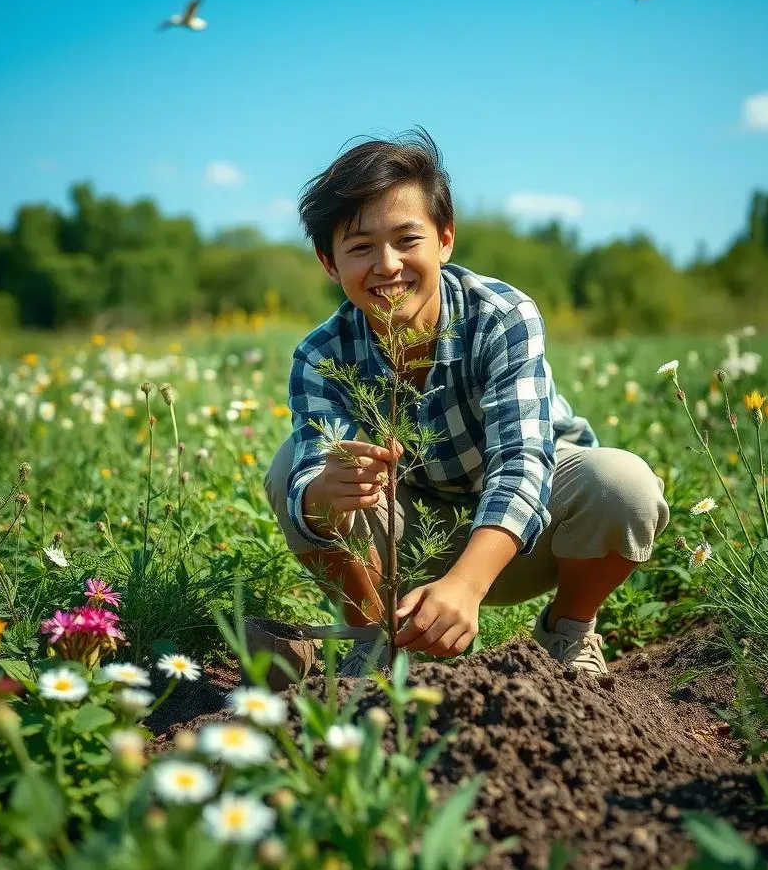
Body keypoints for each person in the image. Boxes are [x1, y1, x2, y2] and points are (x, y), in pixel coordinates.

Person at [263, 129, 669, 678]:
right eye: (360, 247)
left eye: (407, 240)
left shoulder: (500, 316)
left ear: (445, 240)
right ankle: (375, 639)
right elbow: (312, 479)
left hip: (533, 536)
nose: (386, 265)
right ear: (329, 263)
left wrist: (464, 586)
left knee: (623, 485)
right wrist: (323, 494)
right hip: (409, 540)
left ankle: (568, 633)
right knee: (292, 468)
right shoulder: (321, 354)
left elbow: (523, 466)